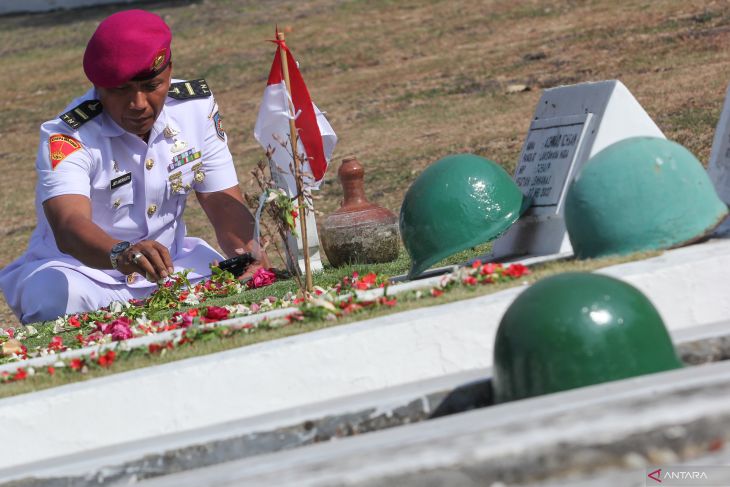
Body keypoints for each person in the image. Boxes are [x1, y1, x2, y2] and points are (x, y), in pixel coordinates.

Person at [0, 9, 269, 324]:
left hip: (172, 270)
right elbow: (69, 225)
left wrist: (246, 254)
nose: (139, 103)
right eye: (120, 90)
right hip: (85, 274)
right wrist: (121, 254)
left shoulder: (194, 110)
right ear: (98, 88)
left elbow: (222, 201)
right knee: (52, 296)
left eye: (151, 85)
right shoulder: (68, 135)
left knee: (234, 282)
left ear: (169, 72)